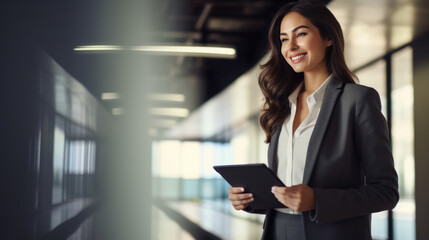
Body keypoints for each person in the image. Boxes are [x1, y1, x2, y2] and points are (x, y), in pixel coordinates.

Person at [227, 0, 399, 239]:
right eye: (284, 39)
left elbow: (386, 192)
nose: (291, 46)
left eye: (301, 34)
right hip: (278, 231)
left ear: (328, 37)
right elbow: (285, 191)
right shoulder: (281, 105)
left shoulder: (357, 100)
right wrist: (249, 199)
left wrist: (318, 200)